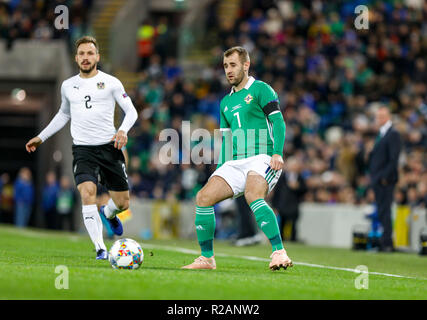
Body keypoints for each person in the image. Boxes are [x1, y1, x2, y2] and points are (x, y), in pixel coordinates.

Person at [25, 36, 138, 260]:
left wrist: (123, 130)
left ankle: (108, 213)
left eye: (90, 53)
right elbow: (63, 114)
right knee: (87, 193)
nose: (86, 58)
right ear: (76, 58)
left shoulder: (112, 82)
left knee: (123, 202)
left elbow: (132, 111)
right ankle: (100, 248)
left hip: (109, 147)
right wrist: (41, 137)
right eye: (82, 54)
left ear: (97, 56)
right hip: (83, 150)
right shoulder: (68, 86)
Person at [182, 46, 292, 271]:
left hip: (263, 157)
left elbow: (278, 122)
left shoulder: (261, 89)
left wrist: (278, 153)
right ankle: (207, 259)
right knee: (203, 197)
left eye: (233, 65)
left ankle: (279, 252)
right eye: (225, 66)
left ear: (246, 65)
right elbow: (228, 140)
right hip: (235, 161)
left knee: (253, 195)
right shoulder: (225, 103)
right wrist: (221, 169)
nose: (228, 70)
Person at [368, 106, 402, 252]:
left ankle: (387, 243)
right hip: (378, 178)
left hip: (385, 180)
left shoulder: (392, 134)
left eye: (381, 116)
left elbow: (393, 159)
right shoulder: (382, 134)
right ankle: (385, 241)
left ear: (388, 117)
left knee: (385, 210)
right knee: (382, 210)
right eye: (377, 116)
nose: (378, 119)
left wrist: (383, 177)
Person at [272, 156, 307, 242]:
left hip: (294, 206)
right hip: (282, 206)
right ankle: (282, 240)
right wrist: (274, 206)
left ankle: (293, 239)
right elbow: (277, 193)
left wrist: (297, 187)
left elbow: (305, 190)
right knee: (282, 224)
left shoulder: (300, 178)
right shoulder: (281, 177)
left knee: (293, 224)